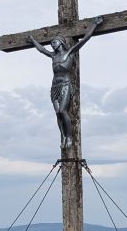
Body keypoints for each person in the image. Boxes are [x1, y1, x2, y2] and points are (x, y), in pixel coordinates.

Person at [28, 15, 104, 149]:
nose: (52, 44)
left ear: (61, 42)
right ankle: (62, 136)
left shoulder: (69, 53)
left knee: (63, 111)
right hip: (55, 86)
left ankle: (69, 136)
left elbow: (85, 39)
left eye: (54, 42)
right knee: (57, 113)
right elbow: (42, 49)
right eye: (51, 43)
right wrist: (33, 40)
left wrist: (95, 25)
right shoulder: (53, 56)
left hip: (65, 85)